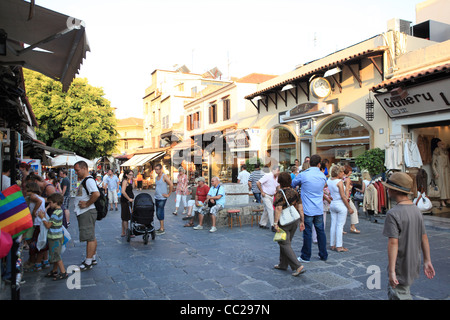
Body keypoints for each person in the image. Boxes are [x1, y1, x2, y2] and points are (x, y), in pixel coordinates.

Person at [382, 172, 435, 300]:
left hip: (400, 263)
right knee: (404, 291)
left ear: (394, 190)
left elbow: (393, 243)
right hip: (413, 261)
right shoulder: (416, 210)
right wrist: (427, 260)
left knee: (399, 294)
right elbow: (424, 236)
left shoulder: (393, 213)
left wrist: (392, 271)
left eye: (388, 187)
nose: (387, 189)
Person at [292, 154, 328, 262]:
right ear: (318, 163)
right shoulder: (322, 176)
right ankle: (323, 254)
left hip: (307, 208)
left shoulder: (304, 175)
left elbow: (293, 183)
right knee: (320, 232)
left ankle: (306, 256)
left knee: (307, 233)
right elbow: (324, 185)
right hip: (318, 208)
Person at [273, 172, 306, 277]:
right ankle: (283, 264)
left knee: (284, 243)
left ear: (280, 181)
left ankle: (297, 266)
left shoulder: (280, 193)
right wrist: (302, 221)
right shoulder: (295, 192)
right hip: (294, 220)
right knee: (286, 242)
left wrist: (275, 223)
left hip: (284, 221)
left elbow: (278, 208)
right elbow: (300, 207)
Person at [73, 161, 99, 271]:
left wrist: (87, 204)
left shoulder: (89, 181)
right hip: (85, 212)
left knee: (90, 237)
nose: (76, 172)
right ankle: (92, 257)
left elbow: (96, 194)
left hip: (87, 212)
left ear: (84, 168)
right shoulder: (85, 180)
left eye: (77, 170)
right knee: (91, 235)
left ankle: (88, 262)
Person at [38, 193, 67, 280]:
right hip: (58, 236)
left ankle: (63, 272)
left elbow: (48, 225)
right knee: (55, 254)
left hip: (54, 237)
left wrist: (42, 217)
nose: (49, 204)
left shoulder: (55, 213)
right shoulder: (60, 211)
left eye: (50, 203)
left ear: (55, 202)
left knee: (56, 256)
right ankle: (54, 270)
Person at [327, 165, 354, 252]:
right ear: (338, 173)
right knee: (340, 226)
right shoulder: (339, 182)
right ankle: (339, 246)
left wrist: (328, 195)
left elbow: (321, 189)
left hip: (333, 204)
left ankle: (332, 244)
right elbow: (343, 196)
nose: (343, 173)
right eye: (342, 172)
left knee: (333, 224)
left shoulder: (329, 181)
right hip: (340, 204)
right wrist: (349, 207)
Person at [24, 182, 49, 271]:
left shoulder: (33, 196)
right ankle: (44, 260)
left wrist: (34, 211)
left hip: (38, 222)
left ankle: (36, 262)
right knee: (42, 241)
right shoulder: (38, 196)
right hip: (40, 221)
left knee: (36, 241)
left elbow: (40, 201)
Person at [256, 166, 280, 230]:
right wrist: (262, 191)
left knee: (267, 210)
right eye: (277, 170)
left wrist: (277, 191)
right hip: (266, 195)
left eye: (279, 171)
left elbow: (278, 186)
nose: (278, 172)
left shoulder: (277, 178)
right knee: (271, 209)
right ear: (273, 170)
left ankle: (262, 223)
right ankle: (273, 225)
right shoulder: (268, 175)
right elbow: (258, 182)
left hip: (272, 195)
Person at [313, 162, 331, 243]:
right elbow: (321, 191)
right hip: (321, 202)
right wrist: (328, 198)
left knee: (315, 220)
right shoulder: (322, 177)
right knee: (321, 220)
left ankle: (315, 237)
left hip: (314, 201)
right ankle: (318, 237)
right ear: (323, 169)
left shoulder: (314, 176)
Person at [154, 163, 173, 235]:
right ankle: (161, 227)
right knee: (157, 213)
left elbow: (171, 184)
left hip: (162, 198)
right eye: (155, 169)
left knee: (160, 212)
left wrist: (168, 194)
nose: (156, 171)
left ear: (161, 169)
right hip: (157, 197)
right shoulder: (156, 177)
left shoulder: (164, 176)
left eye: (158, 169)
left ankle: (162, 228)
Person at [431, 138, 450, 208]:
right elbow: (433, 164)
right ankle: (441, 200)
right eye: (441, 144)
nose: (443, 145)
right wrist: (435, 172)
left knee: (447, 185)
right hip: (439, 170)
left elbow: (448, 162)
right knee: (441, 185)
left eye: (443, 144)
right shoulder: (436, 152)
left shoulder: (445, 152)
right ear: (438, 145)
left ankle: (447, 198)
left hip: (446, 170)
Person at [343, 165, 360, 234]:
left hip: (342, 197)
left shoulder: (342, 178)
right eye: (350, 171)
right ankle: (352, 227)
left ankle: (341, 228)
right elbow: (347, 189)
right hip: (347, 197)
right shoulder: (347, 179)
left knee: (344, 213)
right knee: (353, 210)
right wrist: (347, 198)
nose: (351, 172)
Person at [120, 170, 134, 237]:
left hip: (129, 200)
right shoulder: (125, 181)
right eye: (130, 174)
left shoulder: (129, 181)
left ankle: (123, 232)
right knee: (126, 217)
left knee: (124, 216)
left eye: (132, 174)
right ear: (126, 174)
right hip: (126, 201)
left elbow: (132, 188)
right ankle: (127, 232)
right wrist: (129, 199)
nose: (131, 176)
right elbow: (123, 191)